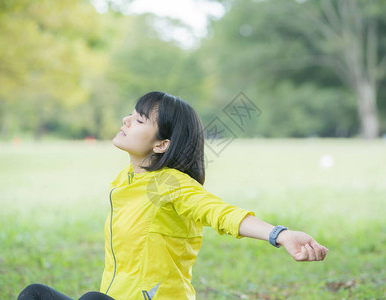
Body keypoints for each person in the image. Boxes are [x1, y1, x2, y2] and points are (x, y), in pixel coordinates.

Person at [18, 91, 328, 300]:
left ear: (161, 144)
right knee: (36, 294)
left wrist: (279, 234)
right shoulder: (124, 181)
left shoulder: (171, 184)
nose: (126, 120)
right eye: (131, 114)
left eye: (139, 120)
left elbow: (220, 213)